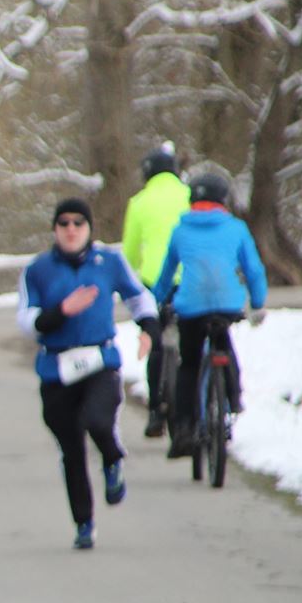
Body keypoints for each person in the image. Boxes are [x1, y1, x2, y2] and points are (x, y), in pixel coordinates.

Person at [18, 198, 160, 549]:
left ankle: (112, 458)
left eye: (78, 223)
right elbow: (27, 320)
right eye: (64, 223)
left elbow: (139, 297)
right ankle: (84, 523)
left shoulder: (109, 262)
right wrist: (61, 311)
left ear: (89, 228)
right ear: (54, 229)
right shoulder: (37, 269)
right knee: (71, 449)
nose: (71, 229)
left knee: (97, 420)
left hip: (100, 361)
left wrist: (148, 329)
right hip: (56, 368)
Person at [152, 172, 268, 459]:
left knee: (190, 364)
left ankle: (184, 427)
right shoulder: (237, 228)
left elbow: (166, 274)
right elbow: (254, 270)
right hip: (227, 303)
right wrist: (257, 302)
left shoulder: (181, 230)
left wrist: (157, 301)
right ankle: (234, 396)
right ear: (223, 200)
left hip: (191, 306)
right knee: (224, 344)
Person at [122, 143, 191, 436]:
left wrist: (134, 275)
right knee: (191, 344)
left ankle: (155, 411)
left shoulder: (139, 202)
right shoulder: (190, 196)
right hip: (189, 279)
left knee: (156, 343)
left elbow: (129, 253)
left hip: (154, 282)